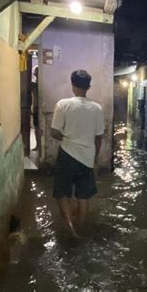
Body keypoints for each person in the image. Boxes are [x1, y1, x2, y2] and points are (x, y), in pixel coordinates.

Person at [50, 70, 105, 238]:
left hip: (67, 154)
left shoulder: (63, 104)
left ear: (72, 85)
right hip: (87, 158)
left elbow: (54, 132)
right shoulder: (97, 108)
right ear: (88, 87)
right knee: (83, 197)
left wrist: (66, 137)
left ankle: (71, 229)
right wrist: (93, 158)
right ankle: (81, 230)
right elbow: (98, 137)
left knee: (62, 193)